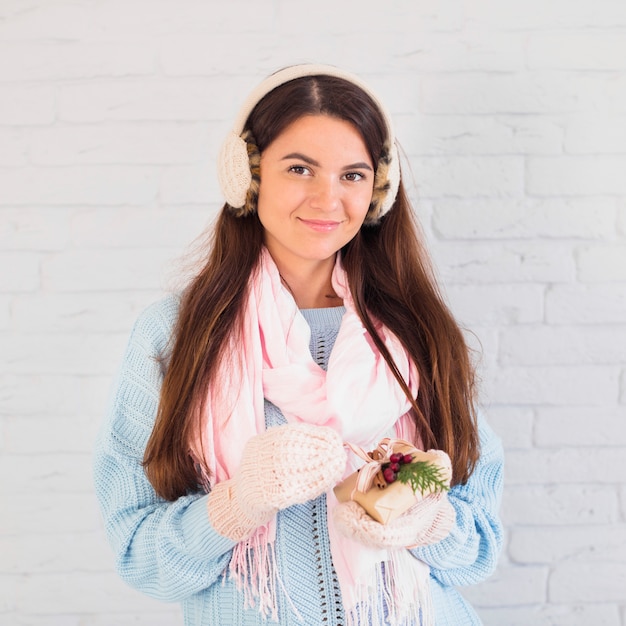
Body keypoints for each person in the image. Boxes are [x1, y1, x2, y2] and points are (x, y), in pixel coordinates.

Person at [93, 64, 504, 626]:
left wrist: (431, 524)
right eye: (299, 168)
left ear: (378, 191)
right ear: (248, 176)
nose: (328, 199)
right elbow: (140, 556)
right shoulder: (174, 334)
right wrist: (236, 506)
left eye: (352, 175)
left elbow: (479, 550)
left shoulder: (420, 334)